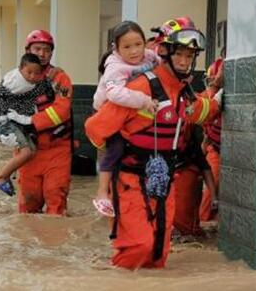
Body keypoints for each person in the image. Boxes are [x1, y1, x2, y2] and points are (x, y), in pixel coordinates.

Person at [84, 17, 222, 269]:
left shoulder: (183, 91)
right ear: (164, 52)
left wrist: (218, 93)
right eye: (179, 54)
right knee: (139, 247)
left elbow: (202, 111)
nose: (184, 61)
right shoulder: (140, 87)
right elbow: (95, 128)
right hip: (130, 179)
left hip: (164, 180)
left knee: (159, 251)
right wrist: (115, 153)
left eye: (190, 56)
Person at [92, 20, 160, 217]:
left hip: (131, 112)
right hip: (108, 112)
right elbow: (114, 95)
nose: (134, 51)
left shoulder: (148, 56)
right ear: (117, 49)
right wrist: (144, 100)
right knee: (116, 149)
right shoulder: (114, 66)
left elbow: (162, 65)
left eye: (138, 44)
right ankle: (102, 192)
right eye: (127, 47)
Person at [4, 29, 73, 215]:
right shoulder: (15, 79)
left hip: (57, 150)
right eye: (37, 49)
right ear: (28, 50)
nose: (42, 54)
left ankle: (54, 241)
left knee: (56, 201)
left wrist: (30, 121)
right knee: (27, 205)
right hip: (29, 152)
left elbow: (62, 110)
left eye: (46, 50)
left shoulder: (60, 78)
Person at [0, 53, 55, 196]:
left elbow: (42, 85)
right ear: (20, 69)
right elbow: (0, 92)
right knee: (25, 152)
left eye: (36, 73)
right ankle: (0, 177)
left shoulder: (30, 81)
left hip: (18, 121)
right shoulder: (15, 81)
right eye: (29, 72)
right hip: (8, 122)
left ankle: (7, 176)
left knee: (31, 152)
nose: (32, 76)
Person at [199, 47, 225, 221]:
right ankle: (203, 221)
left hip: (227, 149)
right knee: (211, 188)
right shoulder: (209, 96)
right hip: (214, 148)